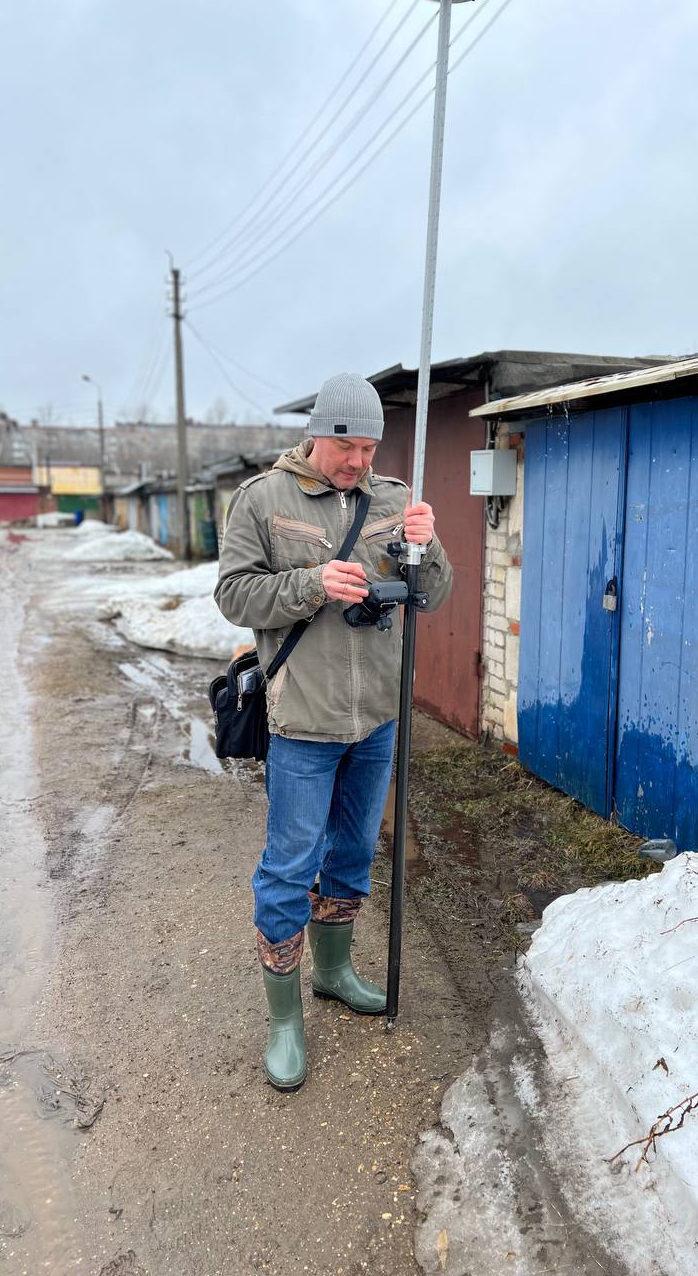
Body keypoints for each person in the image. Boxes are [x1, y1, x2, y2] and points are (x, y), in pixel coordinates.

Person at [215, 372, 453, 1091]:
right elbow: (233, 595)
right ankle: (285, 1022)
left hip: (376, 716)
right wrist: (313, 584)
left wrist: (427, 544)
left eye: (371, 447)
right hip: (304, 720)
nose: (359, 462)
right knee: (290, 864)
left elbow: (431, 593)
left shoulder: (392, 499)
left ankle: (334, 971)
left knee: (351, 851)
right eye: (347, 446)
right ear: (318, 434)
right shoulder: (263, 500)